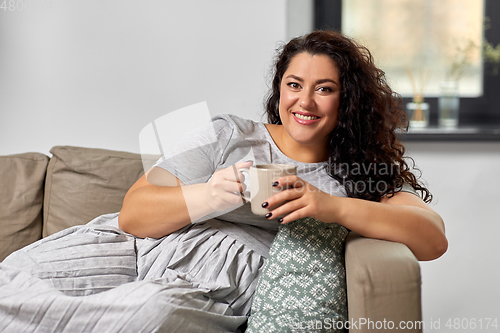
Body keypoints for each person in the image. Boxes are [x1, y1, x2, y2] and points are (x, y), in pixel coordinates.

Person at [0, 30, 447, 333]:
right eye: (294, 84)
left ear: (347, 100)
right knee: (10, 286)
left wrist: (328, 206)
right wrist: (214, 191)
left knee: (146, 315)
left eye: (325, 88)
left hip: (214, 280)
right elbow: (134, 215)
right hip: (132, 247)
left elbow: (431, 239)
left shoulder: (355, 171)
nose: (305, 101)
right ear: (280, 89)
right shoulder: (226, 134)